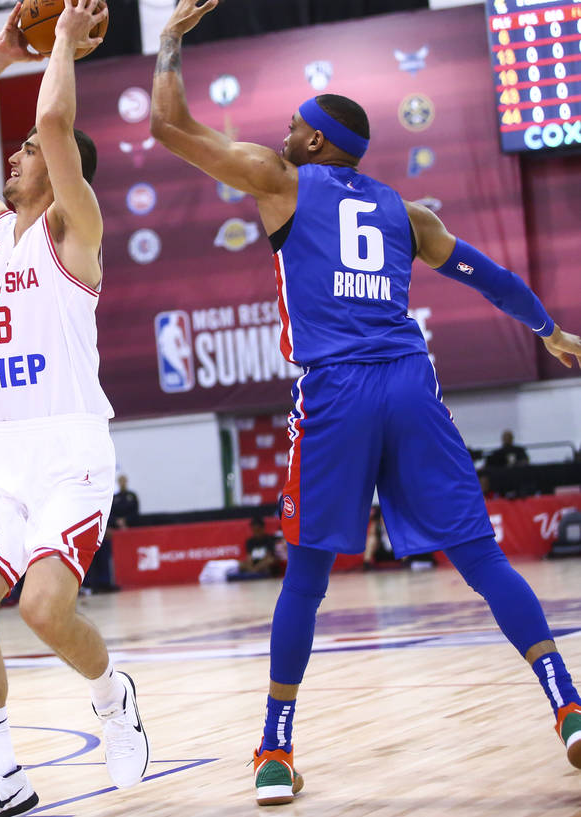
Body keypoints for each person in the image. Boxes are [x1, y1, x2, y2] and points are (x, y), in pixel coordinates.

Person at [150, 0, 581, 805]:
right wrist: (549, 329)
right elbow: (491, 276)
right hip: (412, 382)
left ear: (315, 141)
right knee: (482, 557)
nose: (282, 130)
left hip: (338, 389)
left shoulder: (279, 180)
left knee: (307, 574)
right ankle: (570, 704)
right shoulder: (404, 212)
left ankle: (275, 750)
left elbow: (171, 128)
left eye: (293, 123)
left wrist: (170, 40)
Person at [0, 3, 149, 813]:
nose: (14, 155)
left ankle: (110, 690)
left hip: (71, 448)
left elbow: (54, 118)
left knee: (45, 609)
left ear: (59, 169)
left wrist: (57, 45)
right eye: (16, 149)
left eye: (24, 150)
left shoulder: (76, 226)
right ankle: (3, 772)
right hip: (3, 449)